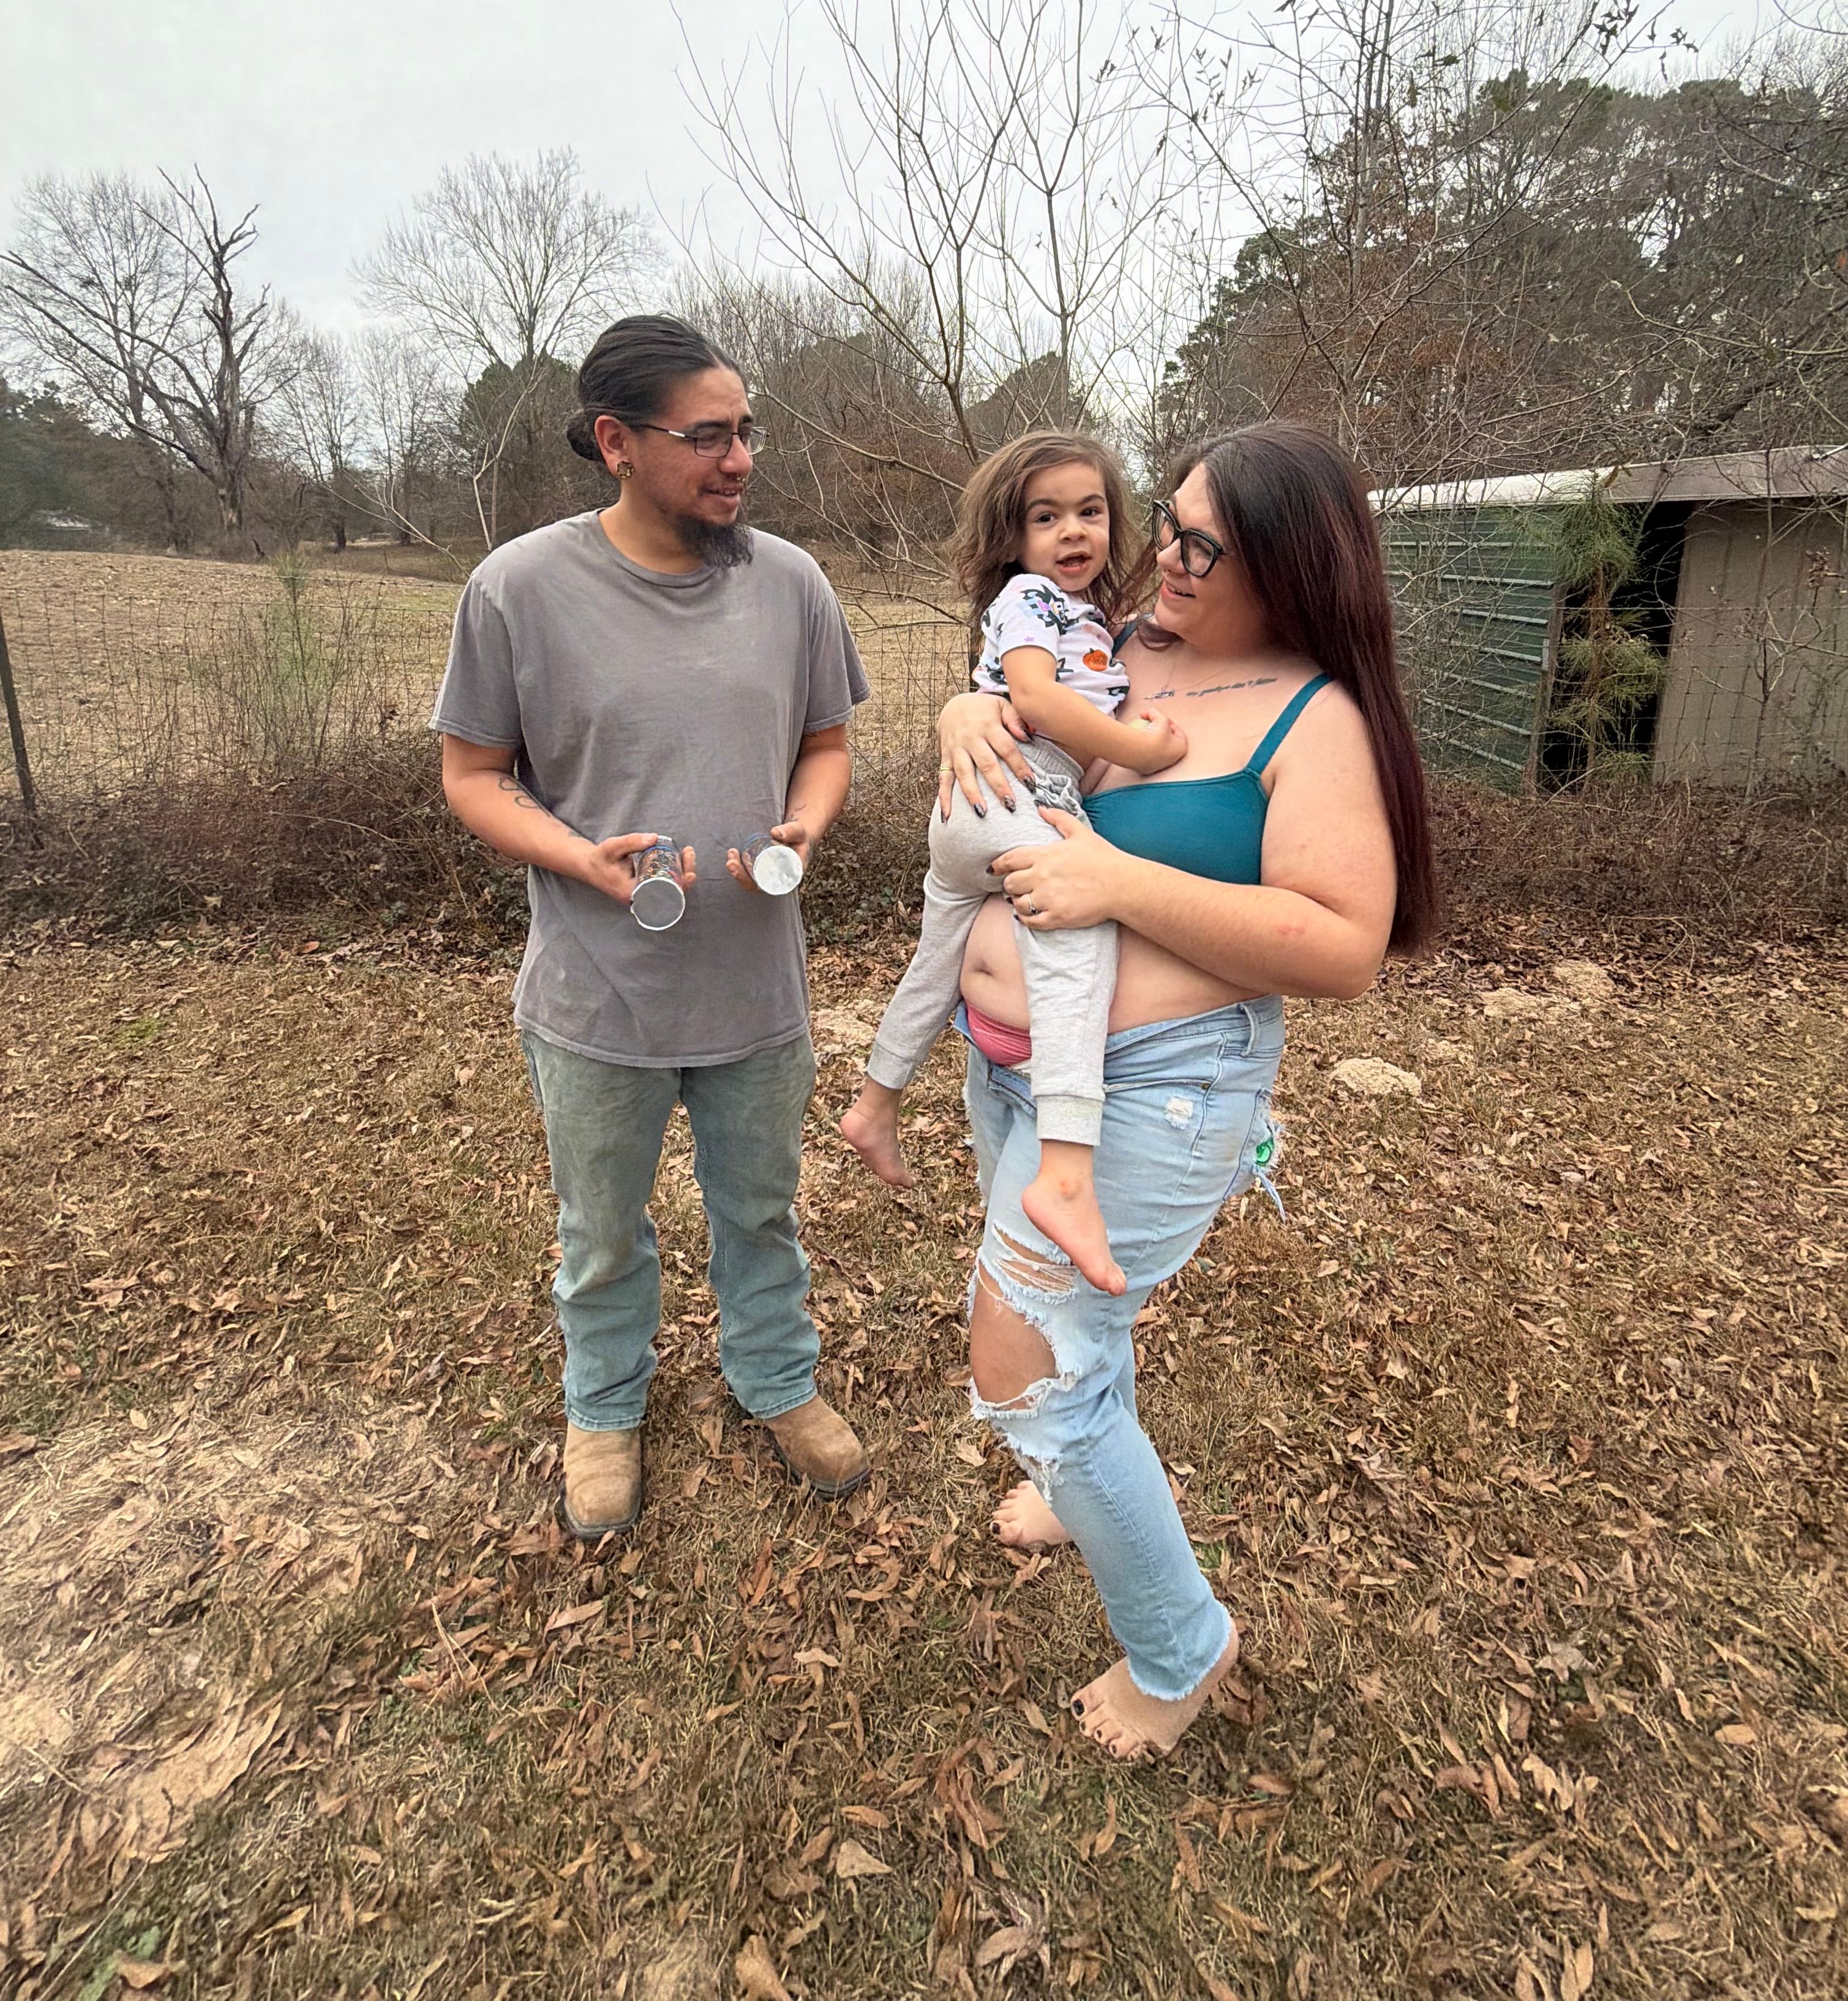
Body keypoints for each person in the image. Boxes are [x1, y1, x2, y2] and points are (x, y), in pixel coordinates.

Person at [934, 423, 1438, 1762]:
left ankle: (1181, 1648)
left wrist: (1122, 885)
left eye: (1204, 545)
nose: (1164, 553)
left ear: (1288, 566)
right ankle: (1074, 1476)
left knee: (1022, 1360)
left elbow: (1343, 946)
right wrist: (966, 708)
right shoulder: (1124, 644)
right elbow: (1021, 699)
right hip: (1024, 1062)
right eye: (1171, 520)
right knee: (1081, 1339)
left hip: (1162, 1087)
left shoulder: (1311, 713)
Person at [432, 315, 872, 1540]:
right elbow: (472, 775)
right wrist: (578, 856)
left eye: (747, 432)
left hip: (753, 990)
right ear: (617, 443)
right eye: (709, 437)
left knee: (760, 1208)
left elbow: (829, 743)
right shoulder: (517, 590)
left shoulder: (791, 584)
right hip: (594, 990)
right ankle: (605, 1403)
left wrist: (803, 826)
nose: (740, 460)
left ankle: (777, 1380)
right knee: (600, 1230)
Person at [841, 433, 1185, 1294]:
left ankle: (877, 1100)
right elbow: (1031, 699)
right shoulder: (1032, 599)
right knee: (1081, 930)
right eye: (1047, 517)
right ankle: (1067, 1175)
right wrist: (1138, 751)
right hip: (1014, 797)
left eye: (1091, 511)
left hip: (974, 817)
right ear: (1013, 539)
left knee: (936, 961)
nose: (1073, 531)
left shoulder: (1090, 618)